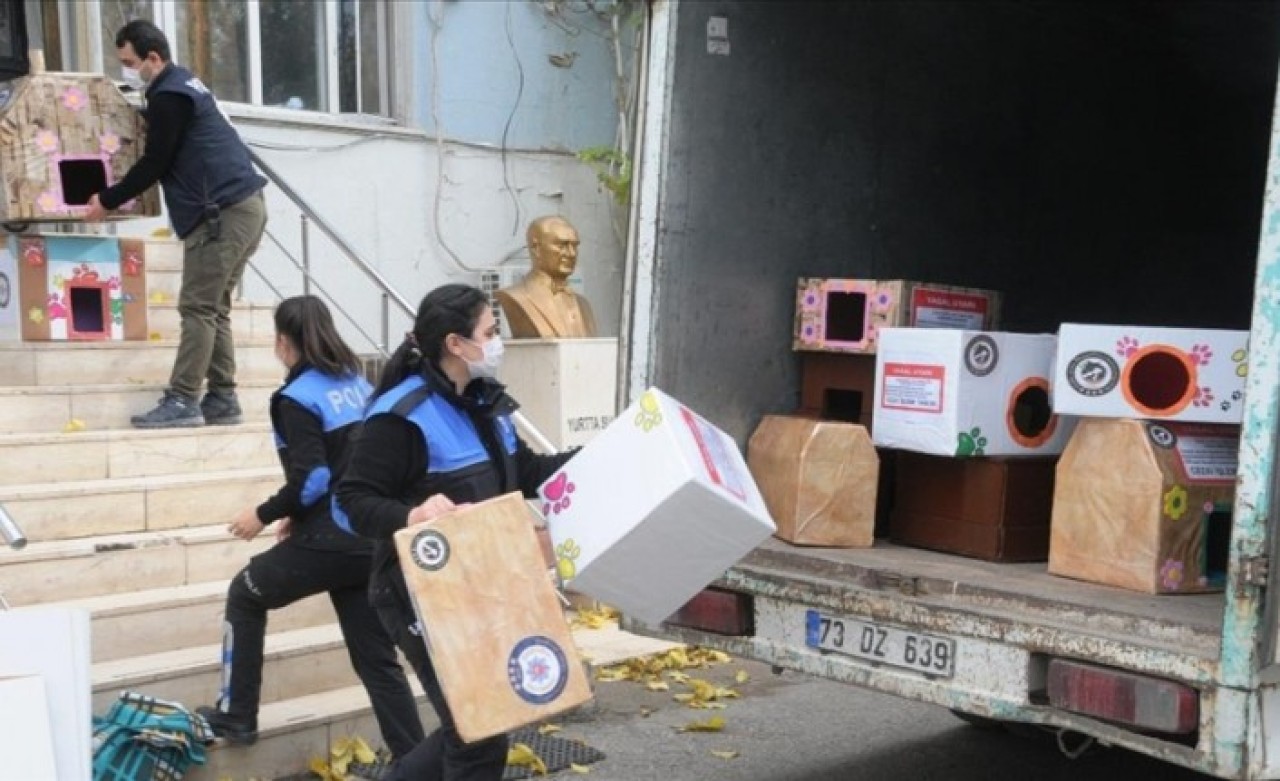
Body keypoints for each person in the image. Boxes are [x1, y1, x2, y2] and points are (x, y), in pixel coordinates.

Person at [335, 284, 575, 781]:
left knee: (476, 726)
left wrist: (604, 455)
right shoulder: (402, 415)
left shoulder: (481, 403)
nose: (496, 342)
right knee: (478, 734)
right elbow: (351, 502)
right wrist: (414, 514)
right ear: (455, 344)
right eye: (490, 332)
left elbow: (526, 472)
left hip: (480, 585)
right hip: (418, 593)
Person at [196, 295, 424, 761]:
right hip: (369, 538)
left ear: (283, 341)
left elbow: (315, 477)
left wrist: (261, 514)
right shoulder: (356, 382)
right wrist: (297, 515)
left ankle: (237, 714)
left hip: (334, 536)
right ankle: (414, 758)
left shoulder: (295, 397)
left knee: (245, 593)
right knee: (377, 661)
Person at [85, 20, 269, 429]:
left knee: (198, 307)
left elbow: (156, 161)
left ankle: (184, 399)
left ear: (154, 57)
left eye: (130, 63)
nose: (128, 72)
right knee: (215, 308)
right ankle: (222, 396)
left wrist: (108, 199)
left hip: (221, 213)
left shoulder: (169, 95)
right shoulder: (186, 86)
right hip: (245, 207)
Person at [494, 216, 598, 338]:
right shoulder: (516, 296)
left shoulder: (584, 305)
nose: (572, 253)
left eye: (574, 246)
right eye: (562, 245)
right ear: (536, 249)